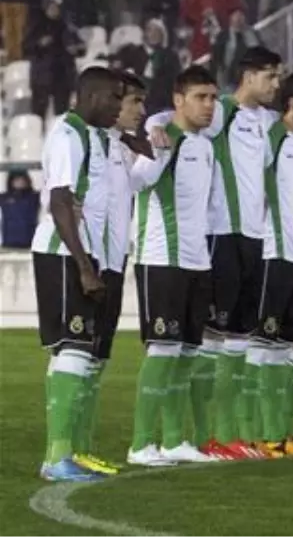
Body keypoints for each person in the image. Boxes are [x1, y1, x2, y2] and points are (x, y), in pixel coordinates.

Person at [145, 46, 282, 461]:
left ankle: (227, 435)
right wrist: (154, 127)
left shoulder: (266, 124)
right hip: (220, 235)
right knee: (208, 338)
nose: (276, 84)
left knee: (240, 337)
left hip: (252, 238)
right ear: (249, 76)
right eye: (270, 77)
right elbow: (167, 119)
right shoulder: (222, 110)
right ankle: (200, 435)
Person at [30, 66, 124, 482]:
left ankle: (70, 452)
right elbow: (61, 202)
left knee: (77, 351)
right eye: (114, 98)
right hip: (65, 254)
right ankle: (57, 457)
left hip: (85, 254)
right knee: (73, 348)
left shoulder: (95, 137)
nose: (119, 106)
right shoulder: (68, 135)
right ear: (92, 96)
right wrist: (85, 267)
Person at [127, 66, 223, 467]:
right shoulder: (162, 136)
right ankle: (140, 444)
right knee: (163, 349)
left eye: (214, 98)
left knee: (187, 351)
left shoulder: (206, 146)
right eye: (201, 97)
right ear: (179, 100)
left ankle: (172, 441)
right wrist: (159, 147)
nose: (209, 105)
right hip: (160, 257)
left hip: (196, 259)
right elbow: (137, 183)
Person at [243, 72, 293, 458]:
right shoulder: (271, 139)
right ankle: (250, 435)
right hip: (273, 255)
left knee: (281, 348)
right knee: (261, 345)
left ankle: (275, 433)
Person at [76, 74, 150, 469]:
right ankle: (67, 451)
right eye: (133, 101)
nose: (139, 110)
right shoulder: (89, 141)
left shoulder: (120, 147)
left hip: (116, 260)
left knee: (98, 358)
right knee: (77, 355)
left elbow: (143, 180)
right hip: (93, 261)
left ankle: (82, 449)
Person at [1, 171, 39, 249]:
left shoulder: (35, 197)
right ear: (11, 181)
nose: (20, 182)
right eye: (17, 179)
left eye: (23, 179)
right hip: (9, 241)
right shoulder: (4, 197)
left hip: (29, 240)